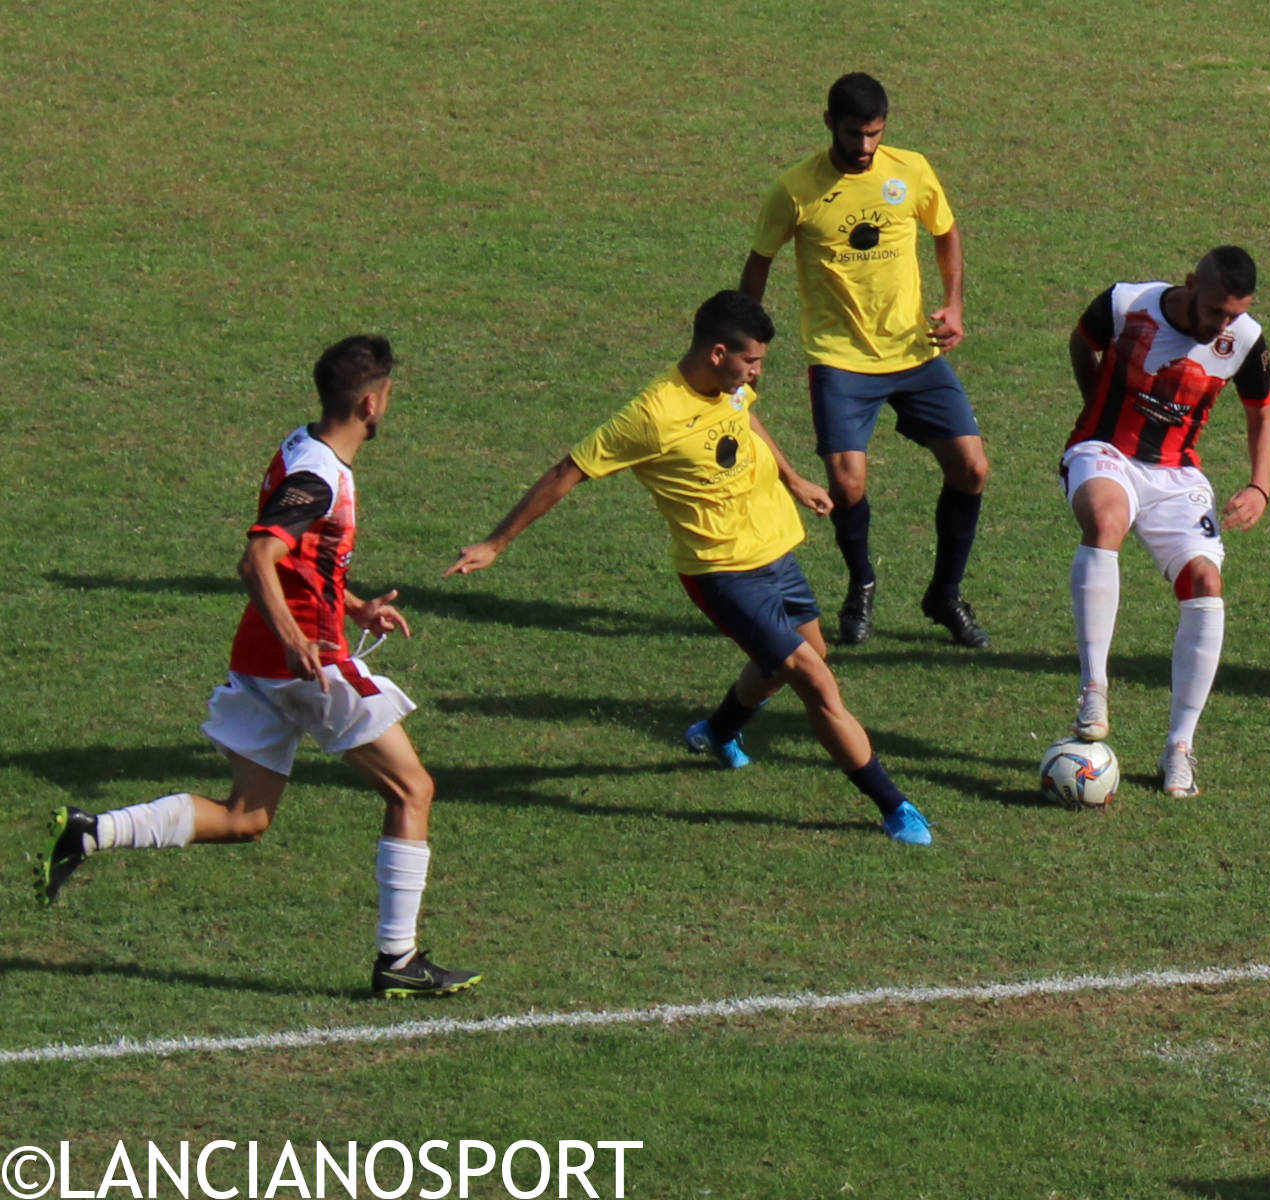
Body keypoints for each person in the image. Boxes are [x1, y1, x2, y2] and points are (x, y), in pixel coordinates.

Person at [35, 336, 481, 998]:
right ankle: (398, 958)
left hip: (259, 663)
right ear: (370, 400)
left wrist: (354, 604)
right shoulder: (318, 476)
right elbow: (259, 558)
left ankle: (90, 832)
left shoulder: (301, 447)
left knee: (246, 816)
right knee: (411, 790)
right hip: (304, 665)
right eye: (388, 394)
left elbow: (302, 558)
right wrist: (298, 638)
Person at [443, 290, 934, 846]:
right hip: (720, 572)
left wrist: (792, 478)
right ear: (718, 352)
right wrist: (495, 543)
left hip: (775, 551)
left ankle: (719, 730)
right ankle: (893, 806)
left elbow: (745, 416)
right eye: (751, 361)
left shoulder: (732, 386)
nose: (755, 374)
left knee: (802, 658)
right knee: (815, 680)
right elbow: (567, 471)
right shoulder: (650, 416)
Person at [738, 71, 990, 649]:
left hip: (912, 351)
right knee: (847, 486)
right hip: (840, 358)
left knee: (972, 468)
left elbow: (945, 232)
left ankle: (945, 595)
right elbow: (758, 263)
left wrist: (952, 304)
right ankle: (862, 585)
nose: (864, 148)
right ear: (829, 122)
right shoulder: (796, 189)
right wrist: (747, 348)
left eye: (874, 134)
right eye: (854, 134)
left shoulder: (911, 170)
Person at [1062, 247, 1270, 797]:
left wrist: (1260, 485)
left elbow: (1262, 414)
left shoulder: (1246, 339)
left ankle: (1179, 748)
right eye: (1215, 312)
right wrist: (1095, 412)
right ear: (1189, 286)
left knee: (1207, 582)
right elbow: (1080, 343)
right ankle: (1094, 688)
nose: (1223, 325)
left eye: (1233, 314)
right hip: (1106, 450)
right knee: (1106, 521)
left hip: (1177, 474)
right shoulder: (1126, 302)